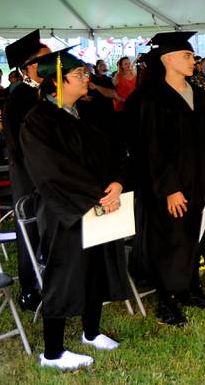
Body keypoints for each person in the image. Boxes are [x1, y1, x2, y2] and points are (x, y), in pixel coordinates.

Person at [21, 48, 129, 370]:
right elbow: (52, 171)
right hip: (63, 212)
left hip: (98, 206)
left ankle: (91, 332)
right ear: (59, 79)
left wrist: (118, 184)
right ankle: (52, 353)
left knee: (95, 269)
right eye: (80, 74)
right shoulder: (38, 120)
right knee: (64, 275)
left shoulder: (86, 114)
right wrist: (96, 196)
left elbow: (116, 155)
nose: (87, 78)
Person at [131, 32, 205, 327]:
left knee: (194, 235)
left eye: (193, 56)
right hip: (167, 186)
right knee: (169, 240)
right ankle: (166, 299)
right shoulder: (151, 97)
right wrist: (169, 189)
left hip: (197, 181)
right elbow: (150, 148)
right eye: (187, 56)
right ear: (167, 59)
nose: (193, 61)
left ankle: (190, 289)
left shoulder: (197, 92)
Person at [2, 29, 50, 312]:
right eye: (46, 60)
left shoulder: (44, 92)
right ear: (29, 67)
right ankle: (31, 288)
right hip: (29, 174)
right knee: (31, 230)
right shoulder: (19, 96)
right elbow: (21, 144)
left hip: (47, 173)